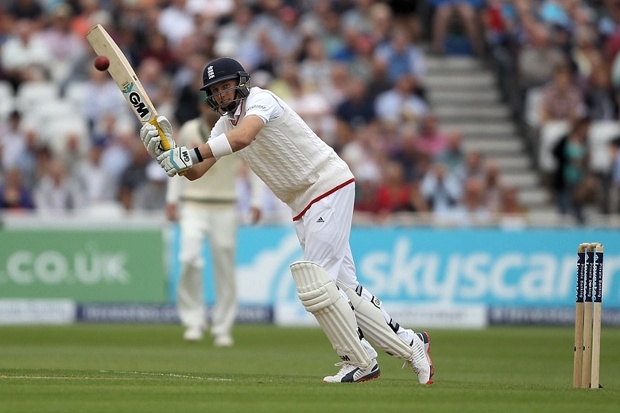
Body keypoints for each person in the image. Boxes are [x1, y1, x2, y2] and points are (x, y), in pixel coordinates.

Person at [140, 57, 433, 384]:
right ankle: (411, 344)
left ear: (240, 81)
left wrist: (190, 153)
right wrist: (167, 154)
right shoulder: (222, 126)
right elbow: (194, 172)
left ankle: (360, 360)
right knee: (344, 287)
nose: (223, 94)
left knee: (315, 283)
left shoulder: (260, 100)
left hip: (327, 185)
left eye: (226, 86)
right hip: (303, 202)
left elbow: (244, 138)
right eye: (216, 91)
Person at [165, 101, 263, 346]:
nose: (214, 108)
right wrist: (171, 199)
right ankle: (194, 321)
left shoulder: (236, 129)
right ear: (201, 106)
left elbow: (252, 166)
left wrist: (257, 200)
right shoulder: (189, 130)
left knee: (225, 267)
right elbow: (179, 162)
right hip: (193, 204)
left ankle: (222, 327)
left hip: (225, 206)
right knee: (188, 258)